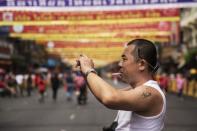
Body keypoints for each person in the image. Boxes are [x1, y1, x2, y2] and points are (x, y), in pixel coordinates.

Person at [76, 39, 166, 131]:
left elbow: (109, 97)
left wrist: (88, 70)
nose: (120, 64)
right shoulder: (135, 89)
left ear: (141, 64)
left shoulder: (150, 92)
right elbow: (102, 93)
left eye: (124, 59)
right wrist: (85, 74)